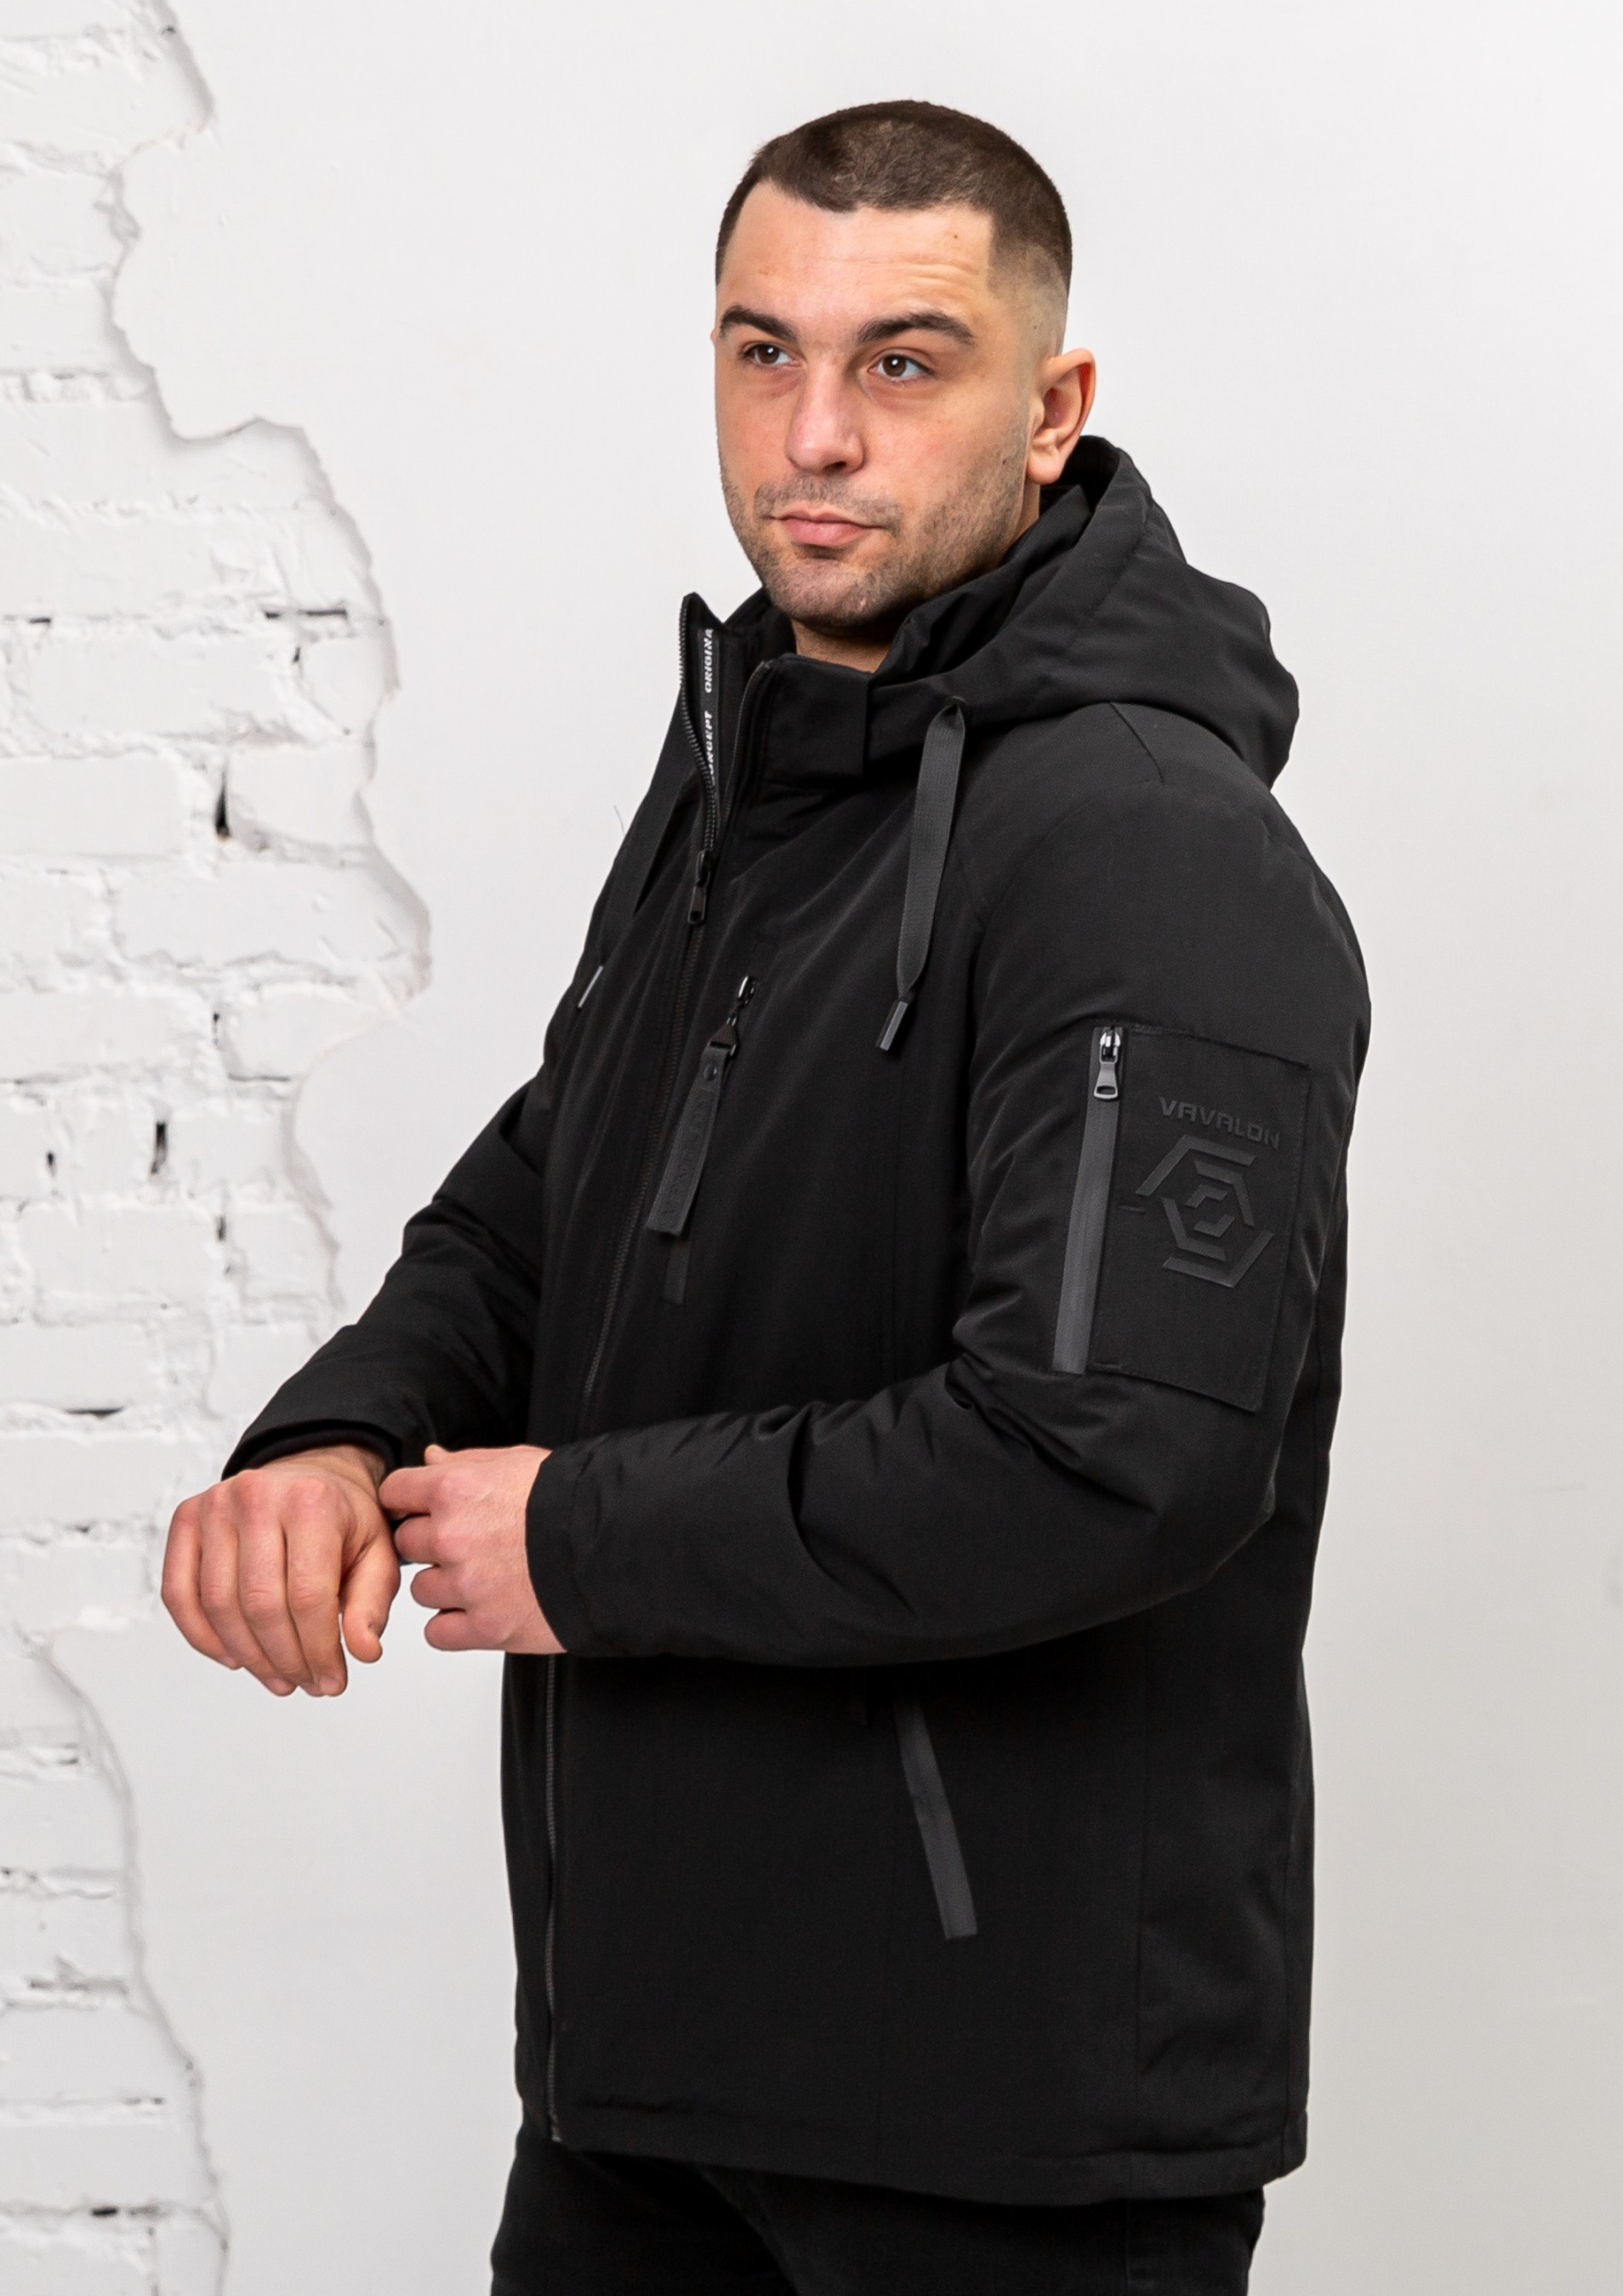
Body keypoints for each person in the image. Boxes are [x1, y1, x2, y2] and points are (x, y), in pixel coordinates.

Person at [162, 99, 1367, 2296]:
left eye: (903, 361)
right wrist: (339, 1432)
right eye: (761, 352)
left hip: (995, 2130)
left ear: (1050, 408)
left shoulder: (1144, 850)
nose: (814, 433)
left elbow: (1114, 1452)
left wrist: (584, 1540)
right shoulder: (759, 767)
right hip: (647, 2083)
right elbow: (558, 1183)